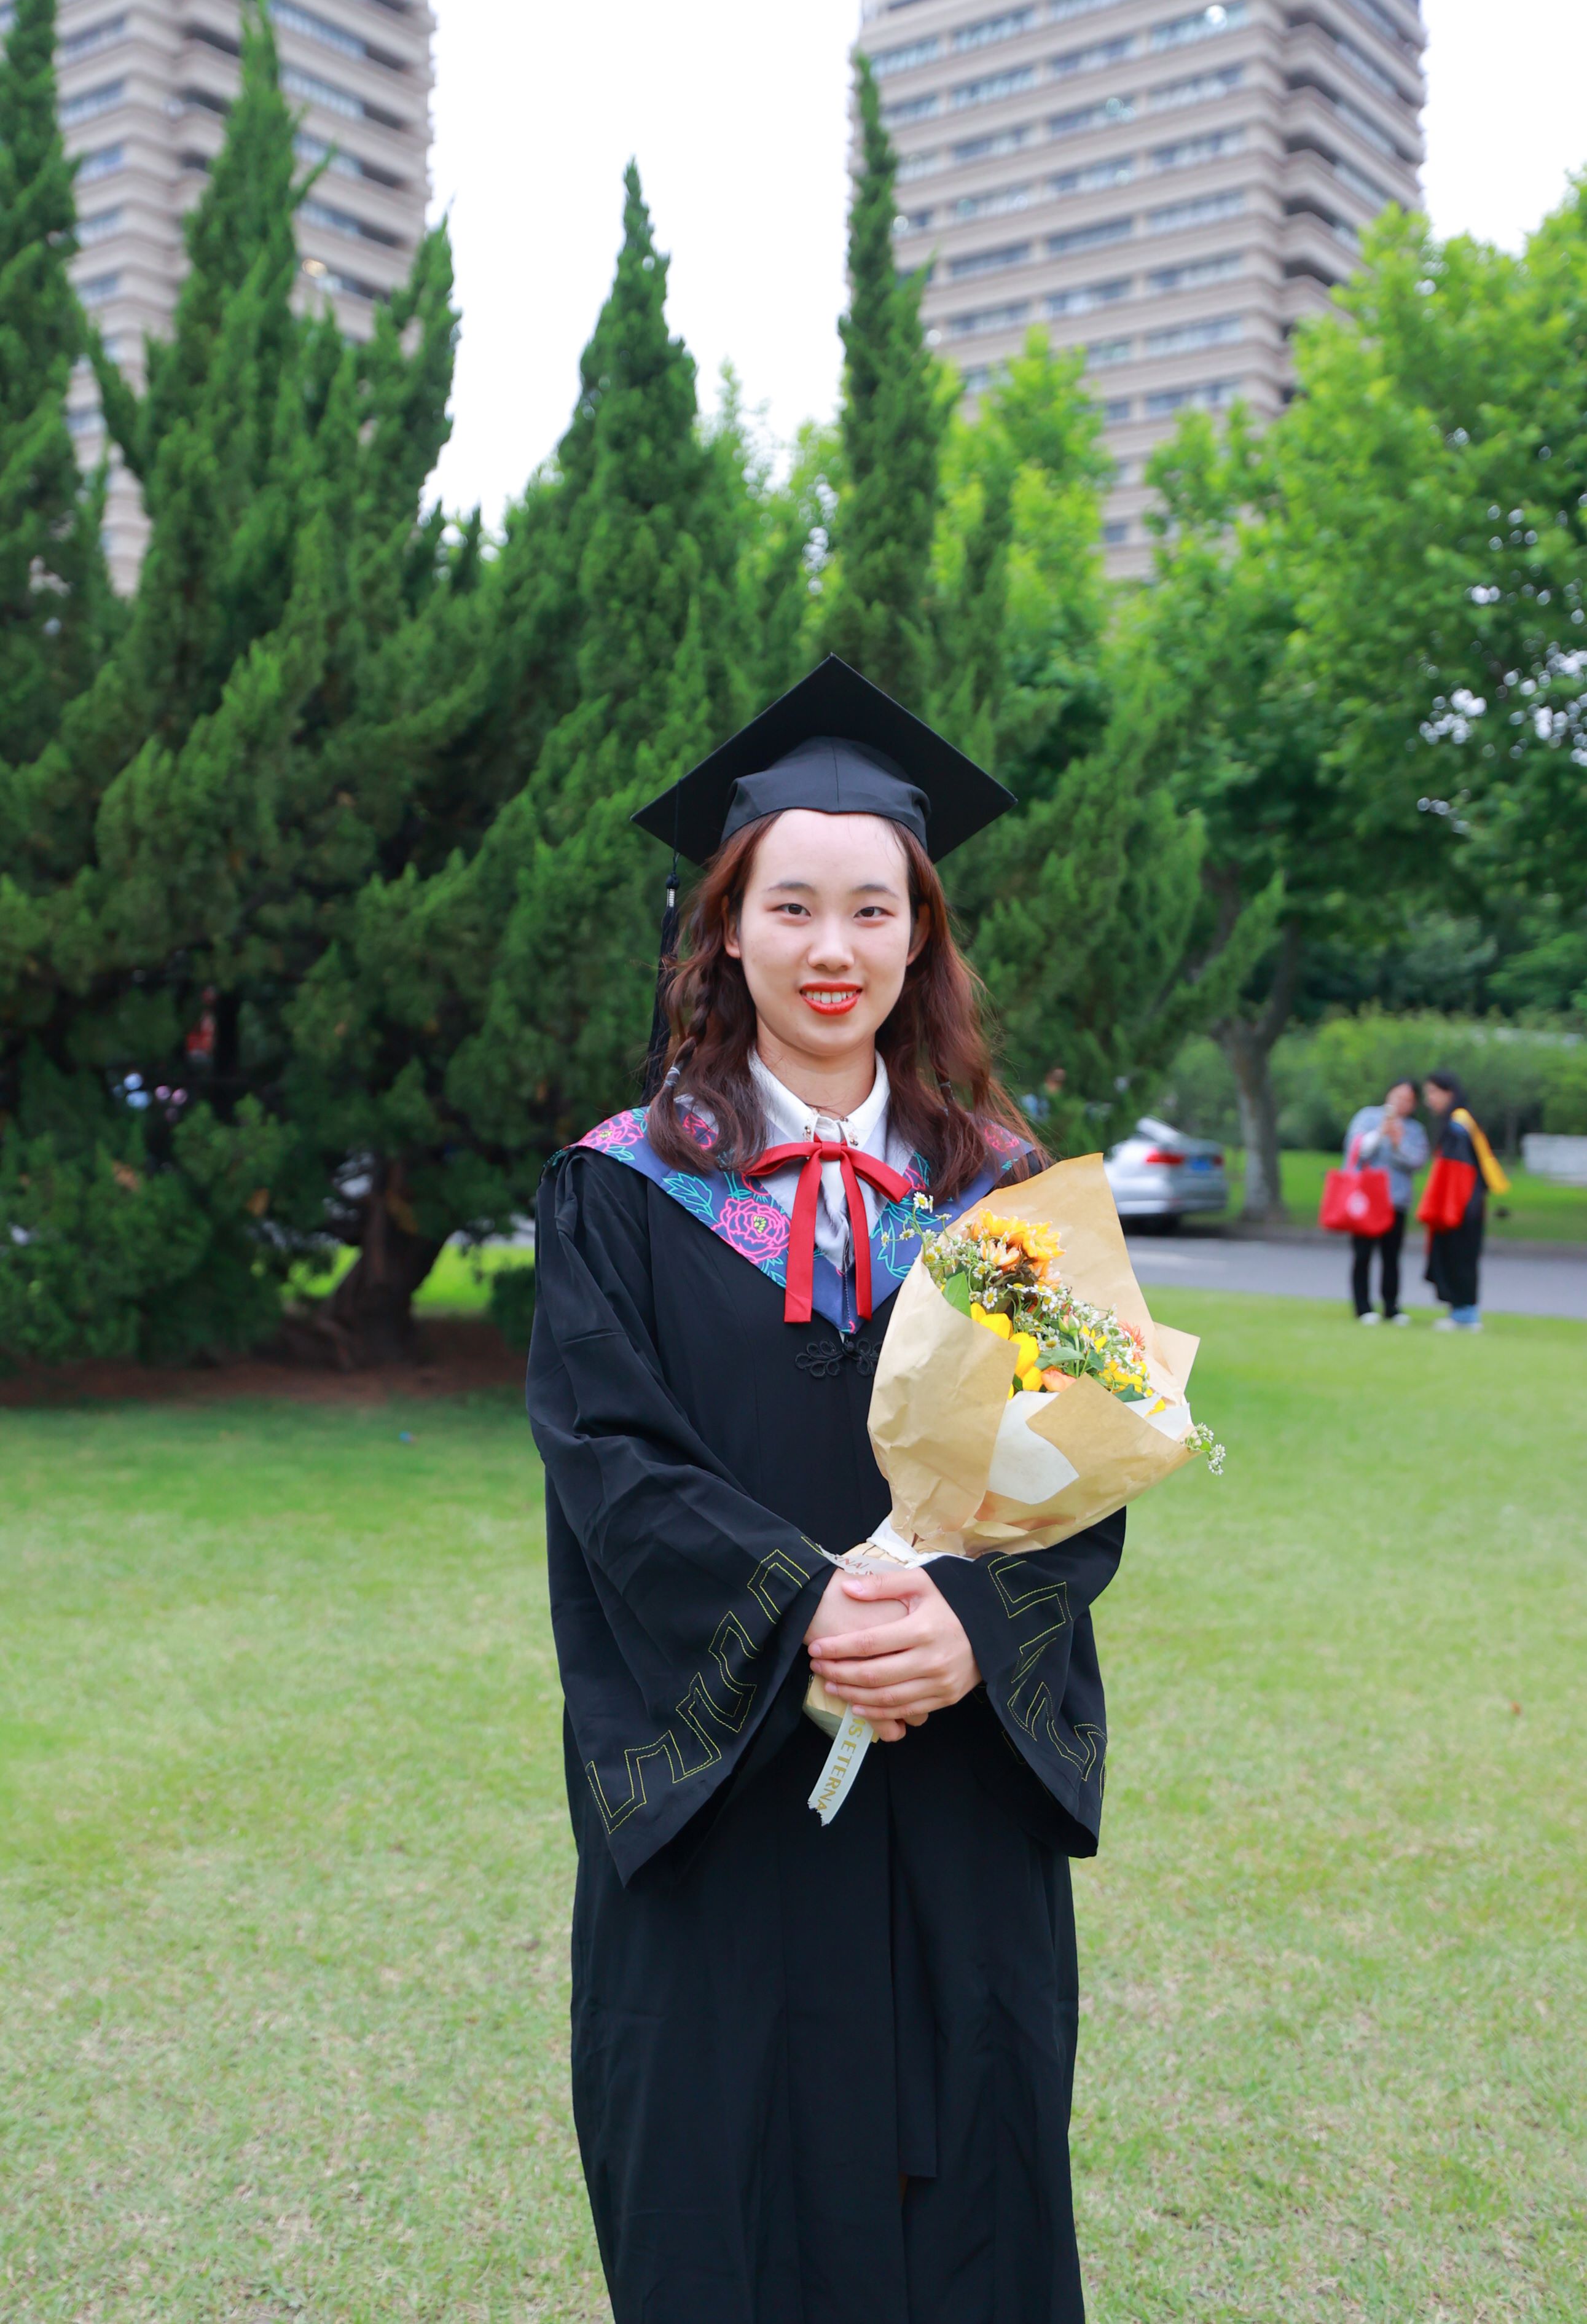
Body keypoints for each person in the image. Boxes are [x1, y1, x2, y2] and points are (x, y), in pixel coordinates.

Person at [528, 656, 1125, 2324]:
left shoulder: (1010, 1190)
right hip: (730, 1793)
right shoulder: (618, 1188)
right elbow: (608, 1463)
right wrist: (811, 1613)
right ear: (725, 929)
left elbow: (1084, 1477)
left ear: (920, 935)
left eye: (873, 908)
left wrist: (966, 1624)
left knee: (972, 2206)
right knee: (723, 2196)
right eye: (789, 906)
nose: (831, 946)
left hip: (954, 1795)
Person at [1418, 1069, 1511, 1332]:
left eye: (1433, 1093)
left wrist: (1447, 1207)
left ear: (1449, 1093)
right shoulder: (1463, 1121)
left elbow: (1458, 1172)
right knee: (1460, 1256)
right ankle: (1461, 1312)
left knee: (1459, 1257)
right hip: (1467, 1203)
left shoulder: (1457, 1125)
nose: (1429, 1100)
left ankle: (1464, 1314)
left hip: (1460, 1204)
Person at [1342, 1079, 1428, 1324]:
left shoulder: (1414, 1130)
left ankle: (1391, 1306)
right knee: (1363, 1254)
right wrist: (1381, 1133)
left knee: (1391, 1256)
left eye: (1408, 1100)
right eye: (1398, 1096)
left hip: (1396, 1200)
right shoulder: (1368, 1117)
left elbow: (1418, 1161)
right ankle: (1363, 1307)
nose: (1401, 1103)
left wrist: (1398, 1142)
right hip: (1366, 1199)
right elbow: (1357, 1150)